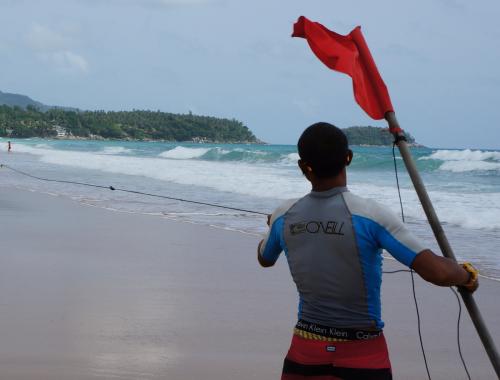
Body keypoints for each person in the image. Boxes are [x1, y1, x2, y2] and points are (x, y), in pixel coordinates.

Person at [257, 122, 478, 380]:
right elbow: (438, 273)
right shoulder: (371, 215)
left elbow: (265, 258)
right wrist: (467, 276)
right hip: (363, 357)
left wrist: (272, 225)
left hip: (305, 354)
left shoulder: (284, 216)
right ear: (348, 158)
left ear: (302, 166)